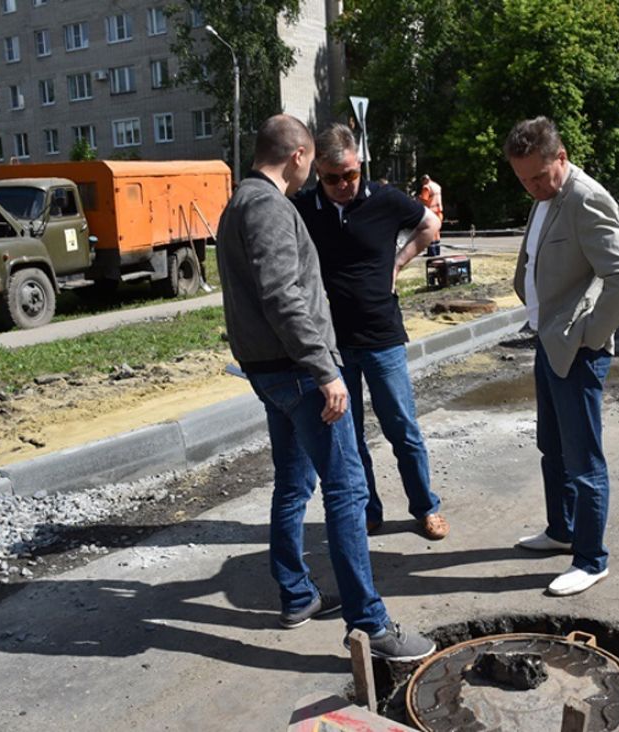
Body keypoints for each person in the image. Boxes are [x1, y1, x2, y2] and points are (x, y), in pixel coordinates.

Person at [216, 114, 434, 660]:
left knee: (293, 481)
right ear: (298, 155)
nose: (318, 175)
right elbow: (282, 294)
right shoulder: (267, 206)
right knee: (347, 490)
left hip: (272, 371)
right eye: (314, 163)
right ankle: (371, 625)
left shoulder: (238, 202)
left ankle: (297, 595)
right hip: (297, 372)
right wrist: (325, 370)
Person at [504, 116, 619, 596]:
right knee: (553, 447)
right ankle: (561, 530)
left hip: (576, 348)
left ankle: (591, 558)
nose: (532, 187)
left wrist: (589, 334)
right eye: (523, 180)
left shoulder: (586, 198)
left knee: (583, 460)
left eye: (539, 177)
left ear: (560, 157)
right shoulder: (545, 197)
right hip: (548, 339)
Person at [293, 123, 449, 542]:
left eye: (350, 175)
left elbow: (430, 224)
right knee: (350, 435)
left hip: (382, 337)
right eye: (332, 178)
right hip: (335, 344)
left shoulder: (384, 200)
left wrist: (398, 263)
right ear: (317, 174)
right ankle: (369, 511)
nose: (343, 185)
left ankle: (425, 507)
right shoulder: (305, 208)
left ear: (359, 165)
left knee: (403, 428)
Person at [417, 174, 443, 256]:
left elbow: (424, 199)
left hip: (431, 212)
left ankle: (432, 252)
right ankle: (437, 251)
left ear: (424, 180)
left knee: (430, 232)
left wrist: (418, 198)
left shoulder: (426, 187)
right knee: (437, 232)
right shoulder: (437, 186)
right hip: (439, 212)